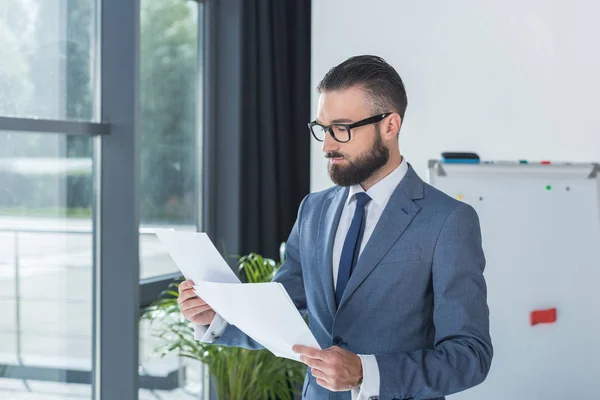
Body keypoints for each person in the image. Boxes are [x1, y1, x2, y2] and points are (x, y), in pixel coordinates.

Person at [178, 55, 493, 400]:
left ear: (390, 125)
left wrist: (365, 372)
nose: (327, 146)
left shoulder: (448, 220)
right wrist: (217, 316)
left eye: (342, 129)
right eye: (323, 129)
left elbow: (469, 356)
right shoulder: (313, 209)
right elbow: (284, 317)